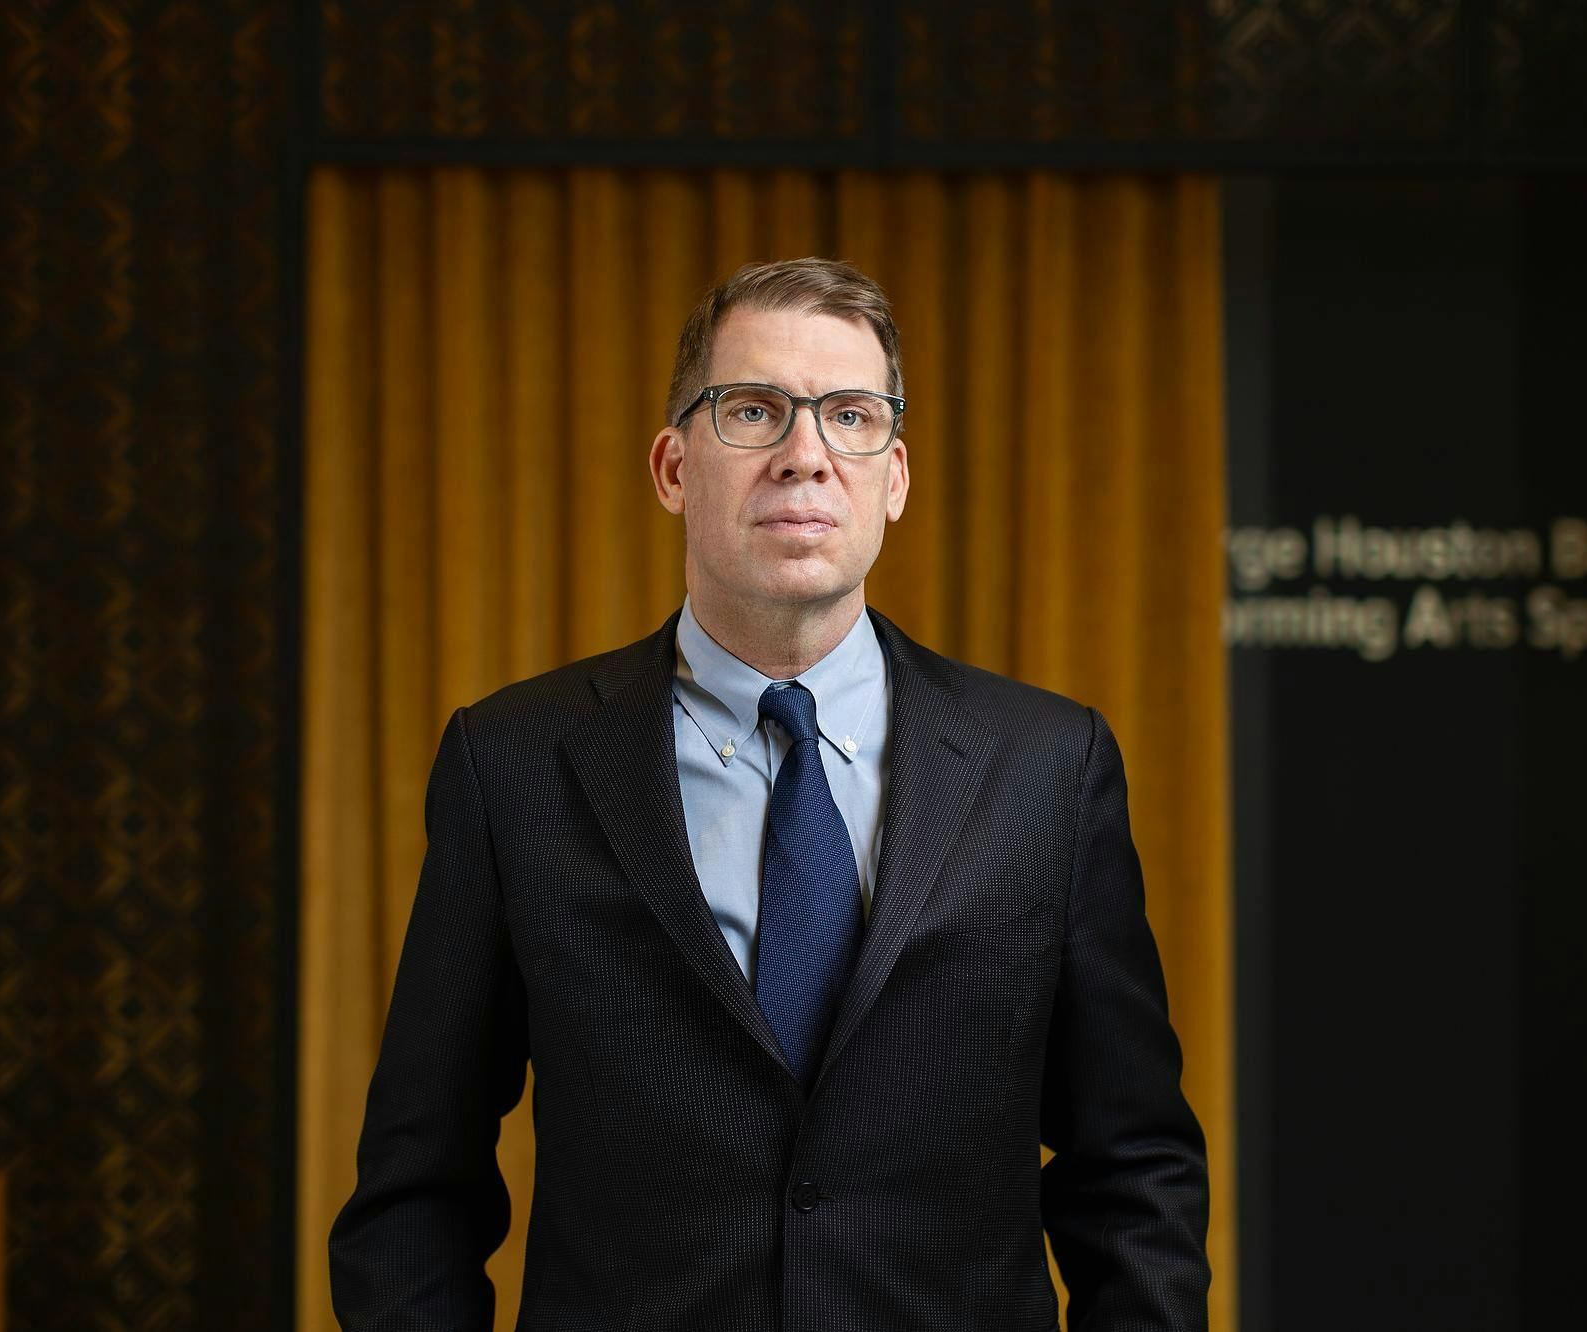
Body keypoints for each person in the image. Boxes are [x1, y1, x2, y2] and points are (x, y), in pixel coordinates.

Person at [328, 258, 1210, 1331]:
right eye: (752, 410)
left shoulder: (1045, 767)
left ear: (893, 476)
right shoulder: (511, 762)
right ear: (670, 465)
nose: (804, 457)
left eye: (849, 416)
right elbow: (418, 1191)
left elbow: (1132, 1176)